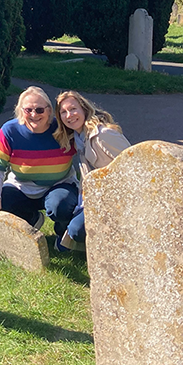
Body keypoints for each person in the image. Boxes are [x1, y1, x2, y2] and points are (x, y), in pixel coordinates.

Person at [0, 86, 79, 238]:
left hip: (59, 184)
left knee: (61, 206)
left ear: (49, 111)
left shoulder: (63, 129)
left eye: (40, 110)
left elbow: (89, 149)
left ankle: (62, 232)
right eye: (28, 110)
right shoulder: (10, 131)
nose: (34, 114)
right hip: (21, 187)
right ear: (21, 111)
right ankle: (31, 219)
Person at [52, 89, 131, 251]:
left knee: (77, 230)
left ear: (84, 109)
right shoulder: (79, 139)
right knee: (66, 226)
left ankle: (116, 245)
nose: (69, 115)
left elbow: (133, 165)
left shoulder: (103, 135)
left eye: (73, 109)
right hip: (94, 197)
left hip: (118, 199)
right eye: (63, 112)